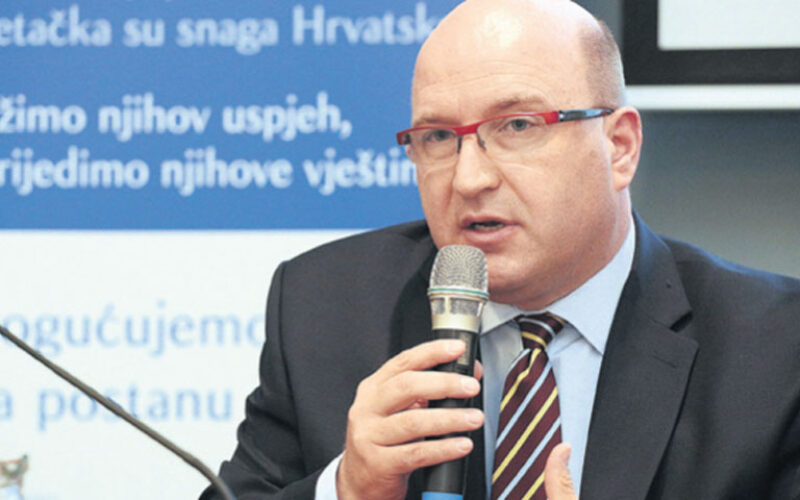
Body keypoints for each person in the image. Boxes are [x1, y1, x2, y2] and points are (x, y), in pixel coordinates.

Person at [201, 0, 800, 498]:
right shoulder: (324, 308)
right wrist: (346, 489)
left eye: (517, 126)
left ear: (619, 147)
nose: (469, 179)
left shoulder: (775, 351)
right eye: (439, 136)